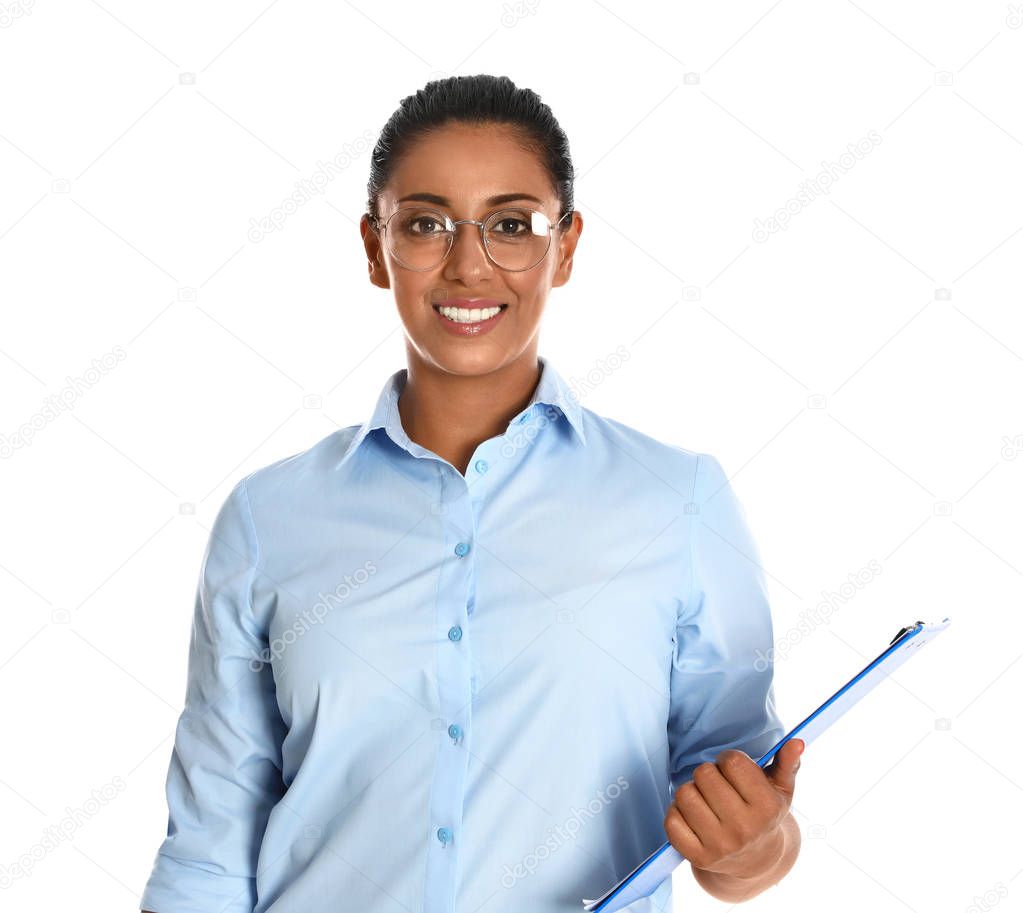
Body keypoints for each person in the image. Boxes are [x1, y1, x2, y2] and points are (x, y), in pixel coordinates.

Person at [140, 73, 803, 913]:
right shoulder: (268, 520)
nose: (466, 264)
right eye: (425, 224)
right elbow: (210, 843)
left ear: (564, 247)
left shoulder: (678, 500)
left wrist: (754, 848)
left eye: (510, 224)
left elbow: (732, 804)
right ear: (376, 249)